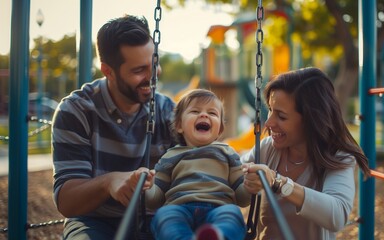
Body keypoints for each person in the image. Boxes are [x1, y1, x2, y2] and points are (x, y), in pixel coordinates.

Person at [51, 15, 177, 239]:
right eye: (139, 71)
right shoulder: (76, 111)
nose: (153, 77)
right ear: (108, 71)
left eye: (155, 64)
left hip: (155, 218)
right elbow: (67, 202)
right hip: (94, 220)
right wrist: (108, 183)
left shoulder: (168, 112)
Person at [241, 67, 371, 240]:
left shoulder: (338, 157)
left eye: (281, 116)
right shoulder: (268, 148)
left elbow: (337, 215)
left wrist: (278, 182)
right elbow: (234, 186)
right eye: (271, 110)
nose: (269, 122)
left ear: (311, 120)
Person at [145, 89, 251, 240]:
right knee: (164, 216)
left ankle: (219, 236)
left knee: (232, 214)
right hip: (179, 207)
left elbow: (242, 198)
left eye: (212, 113)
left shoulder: (227, 152)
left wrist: (249, 187)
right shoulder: (171, 155)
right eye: (195, 111)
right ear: (179, 125)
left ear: (219, 130)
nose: (204, 115)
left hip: (219, 207)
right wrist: (148, 187)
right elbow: (155, 200)